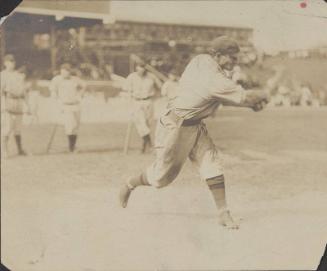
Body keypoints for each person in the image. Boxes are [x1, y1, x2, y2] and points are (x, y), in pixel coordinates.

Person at [119, 36, 268, 229]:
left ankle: (223, 213)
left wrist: (248, 104)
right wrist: (263, 96)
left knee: (212, 164)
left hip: (194, 124)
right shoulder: (214, 77)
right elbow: (239, 95)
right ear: (217, 55)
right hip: (174, 126)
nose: (235, 61)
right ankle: (130, 183)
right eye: (231, 57)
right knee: (160, 178)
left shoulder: (201, 61)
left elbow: (220, 96)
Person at [124, 62, 162, 153]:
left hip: (148, 101)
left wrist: (156, 96)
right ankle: (150, 144)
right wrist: (130, 100)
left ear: (146, 68)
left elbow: (160, 87)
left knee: (148, 124)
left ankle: (143, 147)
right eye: (139, 67)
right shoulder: (131, 77)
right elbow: (126, 90)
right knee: (141, 124)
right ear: (136, 67)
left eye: (143, 67)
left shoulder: (151, 77)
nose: (141, 69)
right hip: (137, 101)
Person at [50, 63, 86, 153]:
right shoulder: (57, 80)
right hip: (65, 105)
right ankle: (71, 148)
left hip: (75, 105)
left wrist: (80, 95)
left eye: (67, 71)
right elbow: (53, 91)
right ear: (61, 71)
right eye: (63, 70)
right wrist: (57, 102)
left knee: (75, 127)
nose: (65, 72)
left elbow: (84, 85)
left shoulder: (74, 79)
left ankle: (73, 146)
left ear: (70, 71)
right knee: (70, 126)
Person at [1, 55, 30, 158]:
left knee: (18, 129)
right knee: (7, 128)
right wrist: (2, 105)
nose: (11, 64)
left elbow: (24, 92)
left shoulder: (18, 75)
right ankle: (4, 151)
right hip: (8, 102)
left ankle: (20, 150)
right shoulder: (2, 75)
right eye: (9, 62)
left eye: (13, 62)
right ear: (5, 63)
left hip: (18, 103)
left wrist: (28, 106)